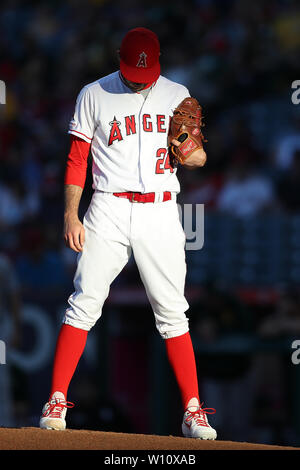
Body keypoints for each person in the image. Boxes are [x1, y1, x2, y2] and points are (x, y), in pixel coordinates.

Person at [39, 27, 216, 440]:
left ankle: (192, 410)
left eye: (147, 71)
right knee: (83, 303)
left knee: (173, 312)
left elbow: (198, 159)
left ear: (158, 63)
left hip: (159, 210)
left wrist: (190, 152)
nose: (139, 77)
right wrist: (70, 212)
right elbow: (77, 158)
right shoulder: (94, 94)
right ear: (119, 58)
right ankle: (56, 398)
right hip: (109, 206)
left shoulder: (177, 93)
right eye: (133, 70)